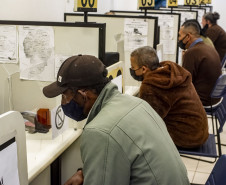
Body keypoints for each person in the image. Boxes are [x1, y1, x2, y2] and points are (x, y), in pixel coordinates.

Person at [43, 54, 190, 185]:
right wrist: (85, 173)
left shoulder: (100, 131)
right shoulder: (137, 103)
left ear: (84, 94)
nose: (64, 102)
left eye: (66, 95)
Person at [130, 46, 208, 149]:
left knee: (134, 137)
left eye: (133, 68)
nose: (131, 70)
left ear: (144, 69)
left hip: (187, 137)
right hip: (199, 131)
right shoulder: (172, 72)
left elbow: (149, 121)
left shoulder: (151, 86)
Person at [178, 20, 222, 106]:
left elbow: (184, 83)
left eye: (180, 35)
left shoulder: (192, 52)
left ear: (188, 37)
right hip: (215, 100)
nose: (179, 39)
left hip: (201, 101)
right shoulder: (209, 47)